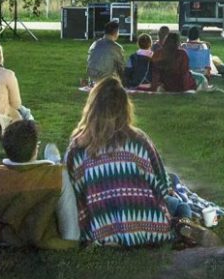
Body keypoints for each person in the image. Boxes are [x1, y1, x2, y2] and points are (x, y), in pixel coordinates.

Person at [64, 78, 185, 247]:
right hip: (150, 228)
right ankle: (185, 224)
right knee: (179, 201)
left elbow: (74, 197)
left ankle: (113, 235)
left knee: (174, 184)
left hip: (100, 229)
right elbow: (162, 186)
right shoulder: (138, 140)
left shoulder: (76, 149)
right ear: (124, 108)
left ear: (92, 108)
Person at [0, 118, 80, 250]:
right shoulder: (59, 175)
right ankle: (53, 161)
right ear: (35, 148)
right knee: (55, 169)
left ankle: (53, 161)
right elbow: (71, 236)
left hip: (9, 241)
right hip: (49, 240)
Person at [85, 20, 126, 86]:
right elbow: (121, 68)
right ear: (116, 33)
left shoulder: (94, 44)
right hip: (106, 80)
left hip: (92, 78)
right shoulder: (117, 47)